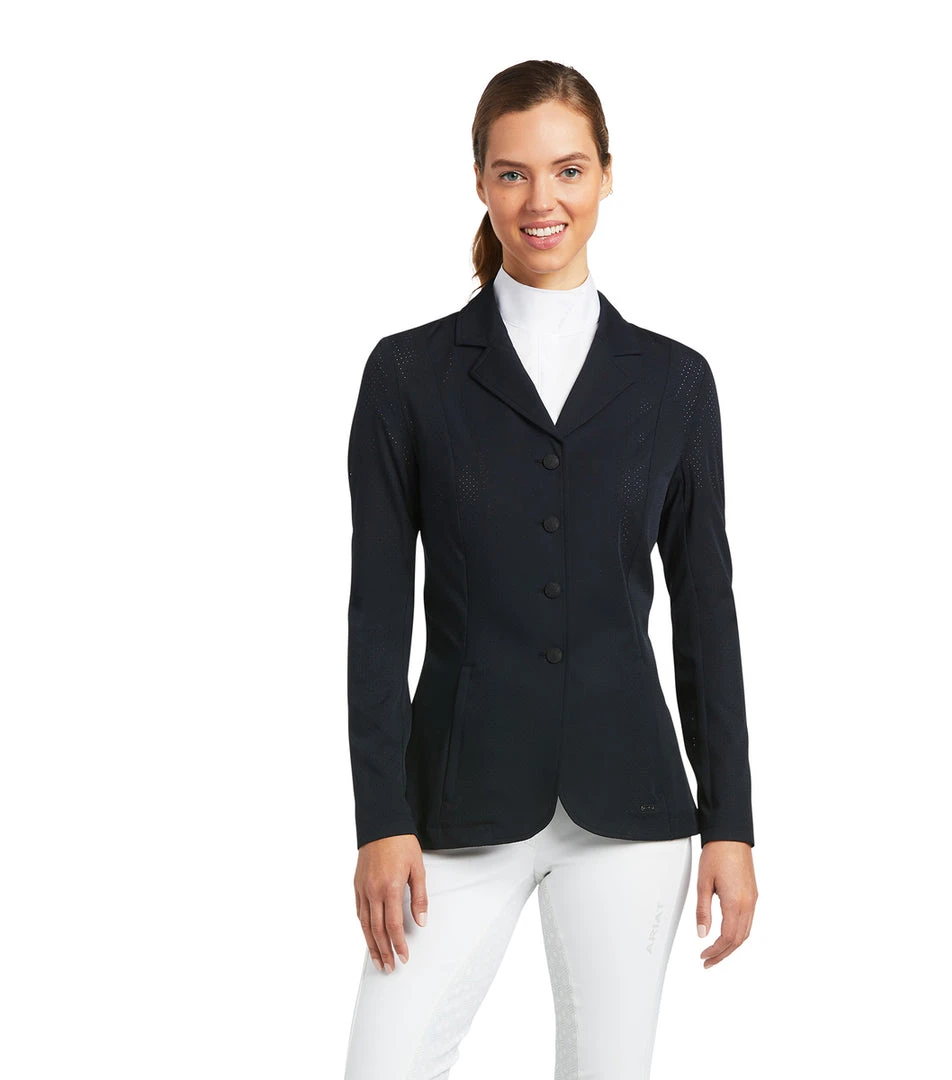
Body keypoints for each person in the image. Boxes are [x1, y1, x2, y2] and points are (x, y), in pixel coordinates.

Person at [343, 59, 758, 1079]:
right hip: (454, 805)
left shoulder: (673, 382)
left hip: (634, 811)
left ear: (607, 174)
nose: (543, 200)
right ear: (481, 183)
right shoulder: (408, 375)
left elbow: (706, 613)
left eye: (569, 170)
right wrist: (380, 819)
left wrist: (732, 824)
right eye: (514, 173)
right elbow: (376, 615)